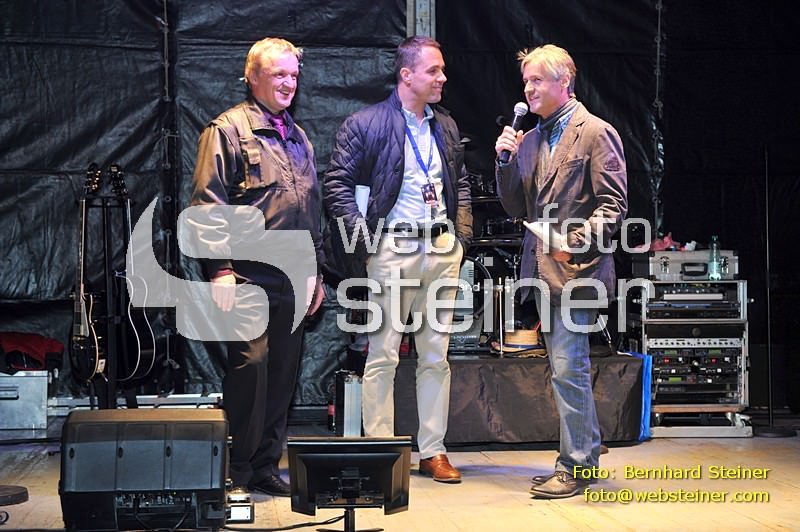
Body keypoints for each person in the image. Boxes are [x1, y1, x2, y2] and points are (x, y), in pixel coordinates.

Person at [324, 36, 472, 483]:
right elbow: (337, 185)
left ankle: (433, 451)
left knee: (436, 357)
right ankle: (382, 451)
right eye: (433, 70)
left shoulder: (445, 126)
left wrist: (462, 237)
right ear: (406, 75)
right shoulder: (365, 123)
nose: (443, 77)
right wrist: (365, 243)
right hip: (392, 248)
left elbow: (460, 183)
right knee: (383, 354)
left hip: (441, 249)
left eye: (442, 69)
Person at [188, 37, 324, 496]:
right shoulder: (227, 130)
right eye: (278, 74)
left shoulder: (298, 136)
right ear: (252, 78)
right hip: (247, 275)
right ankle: (237, 470)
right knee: (252, 365)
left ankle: (265, 467)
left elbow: (311, 208)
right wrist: (220, 268)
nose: (288, 83)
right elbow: (208, 206)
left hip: (293, 277)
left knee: (283, 375)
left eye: (294, 75)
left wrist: (315, 273)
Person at [494, 44, 627, 498]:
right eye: (525, 81)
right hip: (543, 271)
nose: (528, 89)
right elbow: (516, 206)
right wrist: (504, 162)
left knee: (568, 368)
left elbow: (613, 206)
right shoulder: (531, 139)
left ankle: (576, 465)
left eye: (537, 80)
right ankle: (583, 452)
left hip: (579, 271)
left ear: (564, 81)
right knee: (564, 369)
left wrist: (574, 242)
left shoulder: (596, 133)